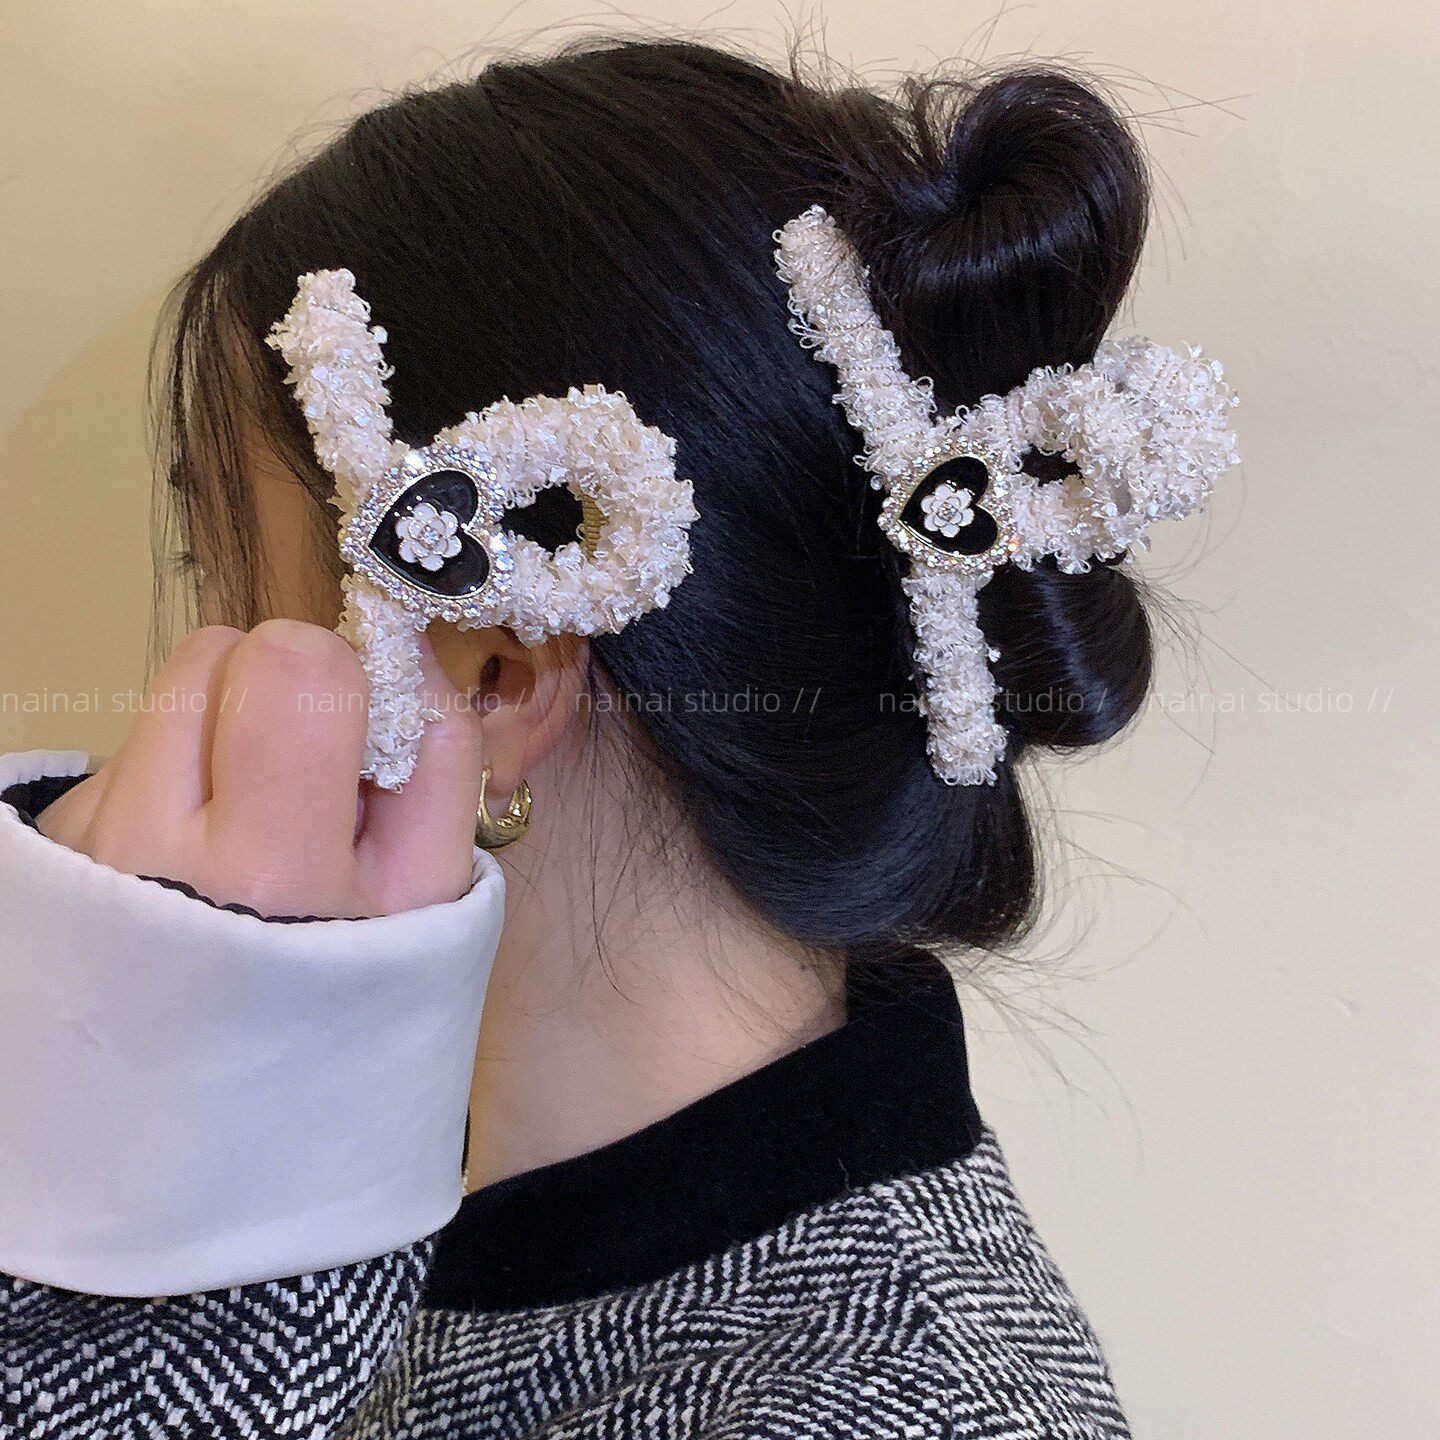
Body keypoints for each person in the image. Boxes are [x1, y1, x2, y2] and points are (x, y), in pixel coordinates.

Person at [0, 37, 1238, 1439]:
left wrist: (120, 1304)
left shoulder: (886, 1411)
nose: (182, 675)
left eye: (226, 571)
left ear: (494, 674)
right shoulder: (379, 1217)